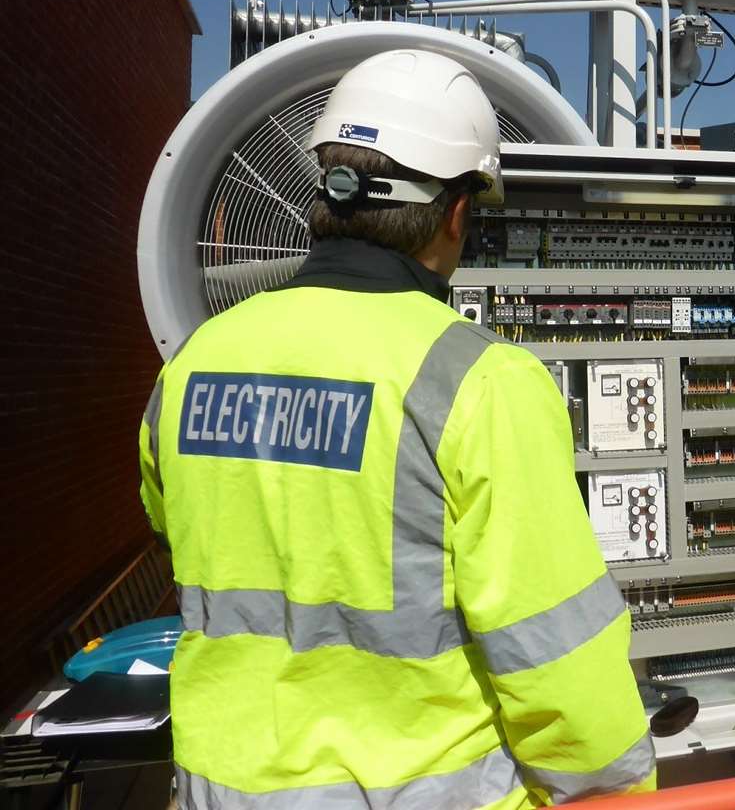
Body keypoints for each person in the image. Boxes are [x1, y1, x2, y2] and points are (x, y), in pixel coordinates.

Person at [139, 49, 655, 808]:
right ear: (456, 213)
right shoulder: (481, 382)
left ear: (325, 193)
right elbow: (556, 653)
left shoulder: (192, 363)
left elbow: (173, 528)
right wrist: (623, 791)